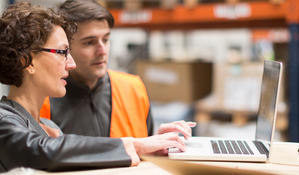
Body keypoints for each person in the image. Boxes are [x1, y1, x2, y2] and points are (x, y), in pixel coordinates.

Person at [0, 2, 186, 172]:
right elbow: (41, 151)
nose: (70, 63)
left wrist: (149, 148)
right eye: (62, 52)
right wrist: (134, 145)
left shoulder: (48, 127)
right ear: (28, 61)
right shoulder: (4, 120)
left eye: (106, 39)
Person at [40, 0, 195, 139]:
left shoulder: (132, 89)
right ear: (66, 48)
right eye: (89, 43)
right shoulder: (43, 100)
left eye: (106, 40)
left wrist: (157, 143)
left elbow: (143, 155)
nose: (102, 50)